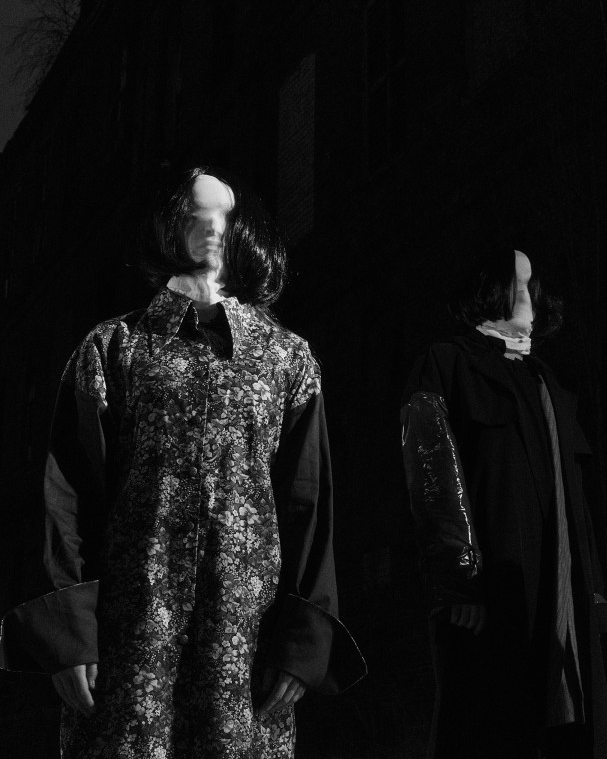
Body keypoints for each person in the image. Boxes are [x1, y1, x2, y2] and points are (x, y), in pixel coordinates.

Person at [0, 167, 365, 758]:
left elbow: (308, 502)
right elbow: (68, 494)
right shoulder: (111, 349)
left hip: (244, 641)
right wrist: (69, 634)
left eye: (225, 213)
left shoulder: (287, 360)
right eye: (196, 212)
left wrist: (304, 640)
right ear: (170, 225)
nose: (212, 226)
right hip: (130, 637)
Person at [401, 246, 607, 758]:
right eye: (518, 281)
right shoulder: (448, 363)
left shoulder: (547, 381)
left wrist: (595, 593)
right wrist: (459, 582)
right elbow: (431, 473)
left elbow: (576, 498)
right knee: (490, 725)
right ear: (490, 288)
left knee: (564, 729)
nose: (529, 294)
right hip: (489, 592)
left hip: (556, 590)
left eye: (532, 283)